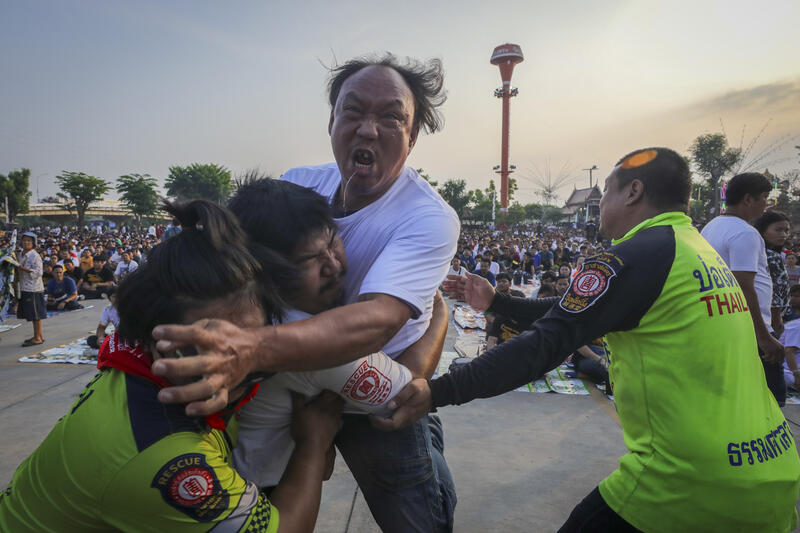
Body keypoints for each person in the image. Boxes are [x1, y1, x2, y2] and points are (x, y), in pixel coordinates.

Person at [379, 148, 800, 532]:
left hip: (689, 481)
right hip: (772, 470)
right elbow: (576, 313)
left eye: (608, 192)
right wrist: (498, 302)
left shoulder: (631, 256)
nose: (599, 208)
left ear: (633, 191)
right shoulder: (698, 251)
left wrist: (436, 393)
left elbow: (547, 343)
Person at [149, 54, 458, 532]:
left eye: (391, 117)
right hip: (295, 385)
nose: (368, 130)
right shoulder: (297, 186)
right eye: (353, 111)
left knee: (415, 516)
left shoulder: (428, 217)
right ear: (331, 120)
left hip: (370, 378)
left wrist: (251, 349)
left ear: (413, 137)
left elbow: (381, 330)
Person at [0, 200, 343, 533]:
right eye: (205, 348)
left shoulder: (137, 362)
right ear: (153, 339)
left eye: (246, 347)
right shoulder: (166, 458)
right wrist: (312, 446)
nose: (231, 364)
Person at [227, 178, 448, 493]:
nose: (333, 265)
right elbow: (407, 394)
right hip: (259, 497)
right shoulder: (311, 347)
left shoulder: (240, 302)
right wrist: (439, 312)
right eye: (310, 260)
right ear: (268, 270)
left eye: (332, 243)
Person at [702, 173, 786, 405]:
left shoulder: (711, 227)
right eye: (765, 198)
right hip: (749, 329)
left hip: (724, 324)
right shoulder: (744, 233)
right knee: (771, 401)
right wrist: (764, 337)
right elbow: (742, 285)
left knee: (737, 400)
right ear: (748, 199)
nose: (766, 205)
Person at [754, 210, 791, 334]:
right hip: (771, 322)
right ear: (763, 231)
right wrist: (778, 327)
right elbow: (774, 297)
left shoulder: (758, 251)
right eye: (778, 230)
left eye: (786, 231)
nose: (783, 234)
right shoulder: (770, 256)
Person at [17, 232, 46, 347]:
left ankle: (38, 337)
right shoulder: (21, 254)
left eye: (29, 241)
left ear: (33, 243)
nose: (26, 242)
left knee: (36, 315)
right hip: (24, 287)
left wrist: (22, 268)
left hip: (34, 288)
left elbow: (39, 272)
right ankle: (37, 336)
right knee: (31, 314)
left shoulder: (35, 256)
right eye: (24, 240)